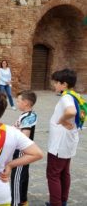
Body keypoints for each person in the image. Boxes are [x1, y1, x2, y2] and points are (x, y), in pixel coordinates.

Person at [0, 90, 43, 206]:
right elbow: (38, 153)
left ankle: (20, 201)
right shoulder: (11, 132)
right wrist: (10, 164)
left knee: (19, 179)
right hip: (2, 195)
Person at [46, 69, 79, 206]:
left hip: (59, 143)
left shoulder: (66, 97)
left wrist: (61, 120)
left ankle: (56, 203)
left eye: (56, 83)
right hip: (68, 141)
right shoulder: (74, 95)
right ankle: (62, 200)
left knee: (53, 175)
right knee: (64, 173)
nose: (54, 85)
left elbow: (72, 111)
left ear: (64, 84)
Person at [11, 90, 38, 206]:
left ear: (26, 103)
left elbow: (24, 136)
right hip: (23, 150)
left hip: (22, 151)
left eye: (18, 101)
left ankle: (16, 202)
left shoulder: (29, 117)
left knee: (17, 177)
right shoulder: (26, 115)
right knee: (23, 175)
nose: (17, 103)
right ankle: (23, 200)